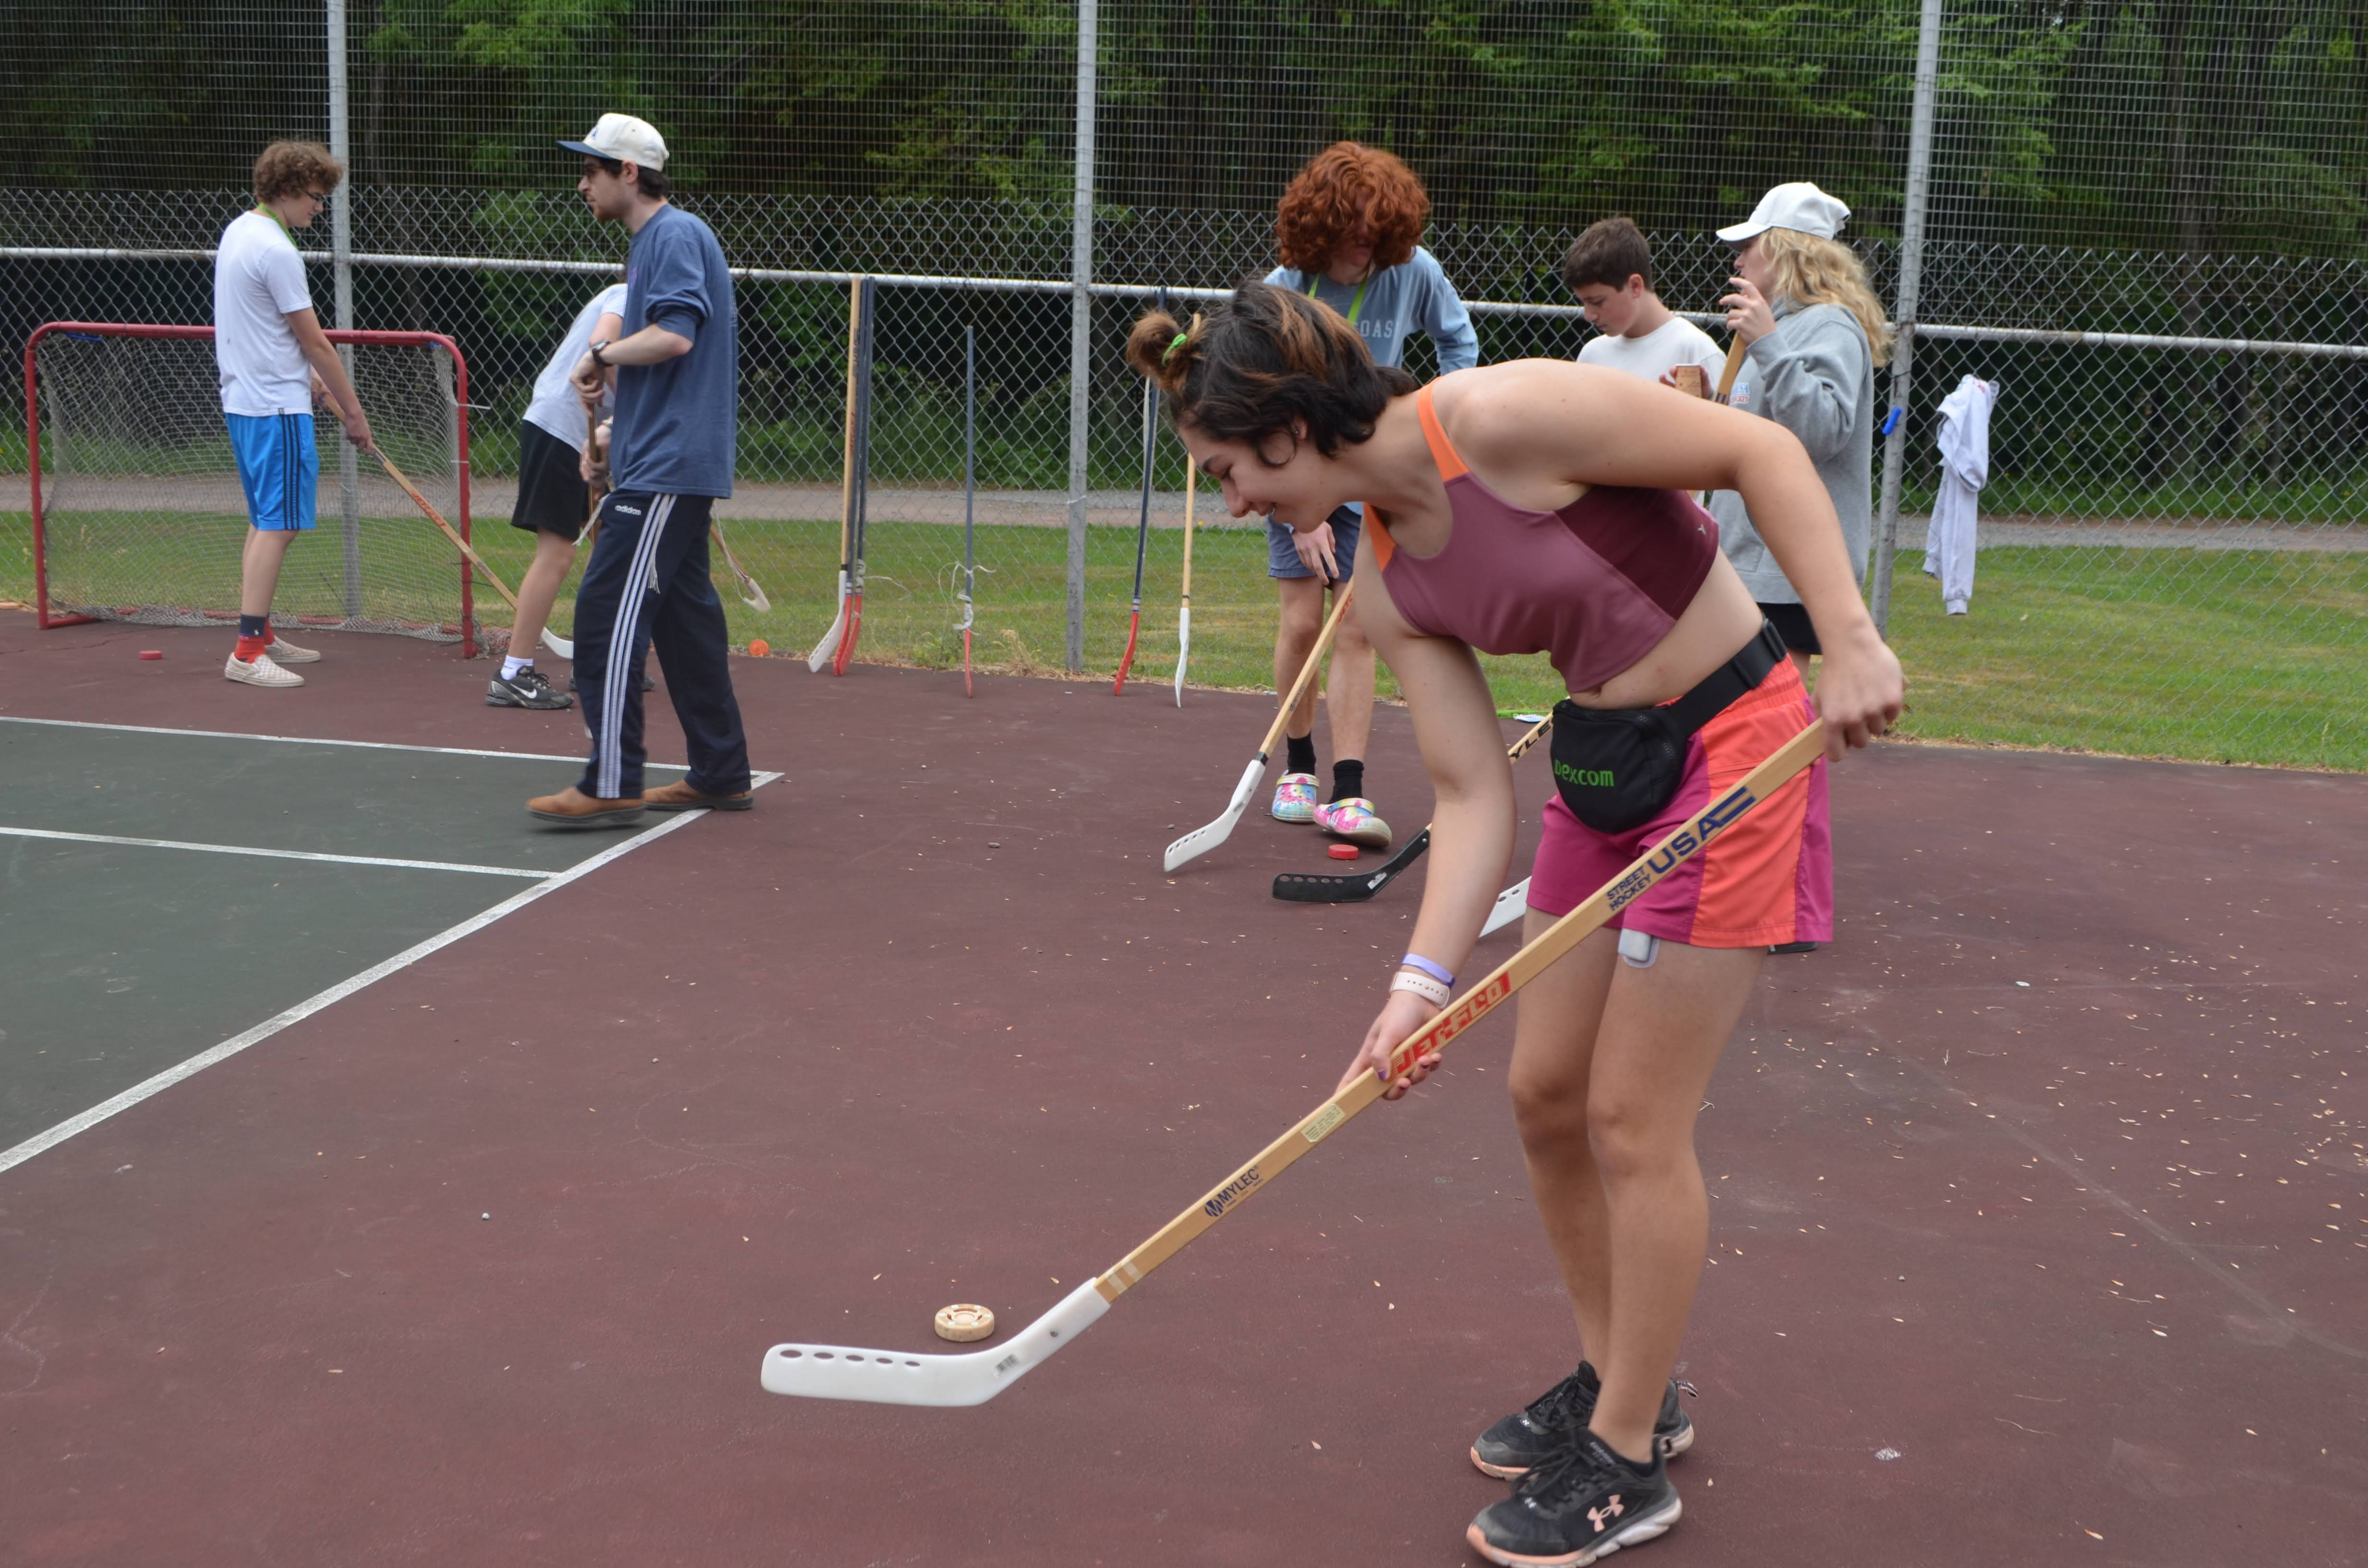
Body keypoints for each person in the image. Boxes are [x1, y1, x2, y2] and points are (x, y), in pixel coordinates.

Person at [1126, 283, 1900, 1568]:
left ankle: (1631, 1455)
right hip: (1603, 769)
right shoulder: (1379, 570)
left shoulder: (1500, 417)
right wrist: (1417, 989)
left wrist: (1853, 639)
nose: (1233, 503)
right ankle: (1618, 1377)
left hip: (1730, 753)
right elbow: (1475, 792)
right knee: (1543, 1095)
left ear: (1284, 429)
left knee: (1631, 1122)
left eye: (1226, 473)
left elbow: (1758, 450)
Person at [526, 114, 753, 827]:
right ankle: (721, 771)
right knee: (685, 627)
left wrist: (600, 358)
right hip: (657, 462)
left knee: (606, 616)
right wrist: (611, 432)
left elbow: (676, 337)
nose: (582, 181)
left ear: (629, 173)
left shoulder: (673, 234)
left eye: (593, 168)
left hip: (668, 472)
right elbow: (670, 369)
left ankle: (614, 780)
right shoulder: (652, 246)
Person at [1259, 142, 1478, 849]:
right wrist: (1300, 511)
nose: (1362, 240)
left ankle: (1348, 790)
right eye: (1349, 225)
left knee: (1356, 627)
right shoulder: (1286, 288)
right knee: (1302, 624)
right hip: (1298, 473)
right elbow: (1262, 404)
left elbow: (1460, 348)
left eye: (1374, 226)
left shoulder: (1414, 273)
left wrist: (1435, 431)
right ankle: (1297, 768)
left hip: (1375, 475)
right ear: (1319, 224)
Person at [1704, 183, 1891, 675]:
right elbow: (1754, 434)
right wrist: (1703, 405)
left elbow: (1820, 432)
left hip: (1786, 571)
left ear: (1785, 248)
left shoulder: (1828, 325)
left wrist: (1767, 344)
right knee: (1735, 720)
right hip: (1746, 562)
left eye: (1747, 248)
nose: (1737, 262)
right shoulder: (1768, 330)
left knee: (1769, 724)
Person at [213, 141, 373, 688]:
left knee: (266, 522)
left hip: (250, 401)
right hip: (272, 410)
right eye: (314, 196)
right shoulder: (276, 251)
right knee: (278, 526)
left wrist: (301, 377)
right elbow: (317, 342)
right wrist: (353, 412)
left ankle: (259, 633)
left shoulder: (239, 231)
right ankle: (246, 651)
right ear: (284, 190)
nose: (320, 208)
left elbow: (261, 329)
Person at [486, 281, 626, 710]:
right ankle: (513, 673)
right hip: (562, 430)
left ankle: (596, 662)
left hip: (591, 439)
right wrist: (637, 403)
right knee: (558, 552)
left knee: (612, 544)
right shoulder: (630, 293)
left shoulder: (664, 311)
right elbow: (601, 341)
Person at [1563, 216, 1727, 391]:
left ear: (1635, 286)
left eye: (1597, 302)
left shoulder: (1695, 352)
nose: (1589, 316)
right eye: (1584, 303)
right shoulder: (1592, 355)